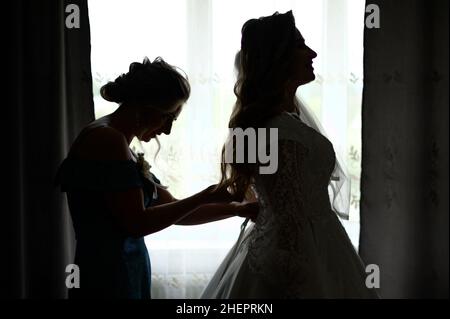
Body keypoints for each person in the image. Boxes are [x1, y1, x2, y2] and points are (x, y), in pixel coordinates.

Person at [200, 11, 379, 298]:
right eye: (300, 45)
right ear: (277, 56)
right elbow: (258, 193)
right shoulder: (266, 127)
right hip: (290, 257)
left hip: (322, 245)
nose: (312, 53)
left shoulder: (285, 121)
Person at [55, 57, 258, 299]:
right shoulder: (106, 140)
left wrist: (238, 208)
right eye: (168, 116)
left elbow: (174, 209)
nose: (168, 129)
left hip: (128, 270)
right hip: (108, 277)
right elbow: (137, 223)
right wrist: (206, 195)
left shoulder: (122, 144)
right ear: (144, 107)